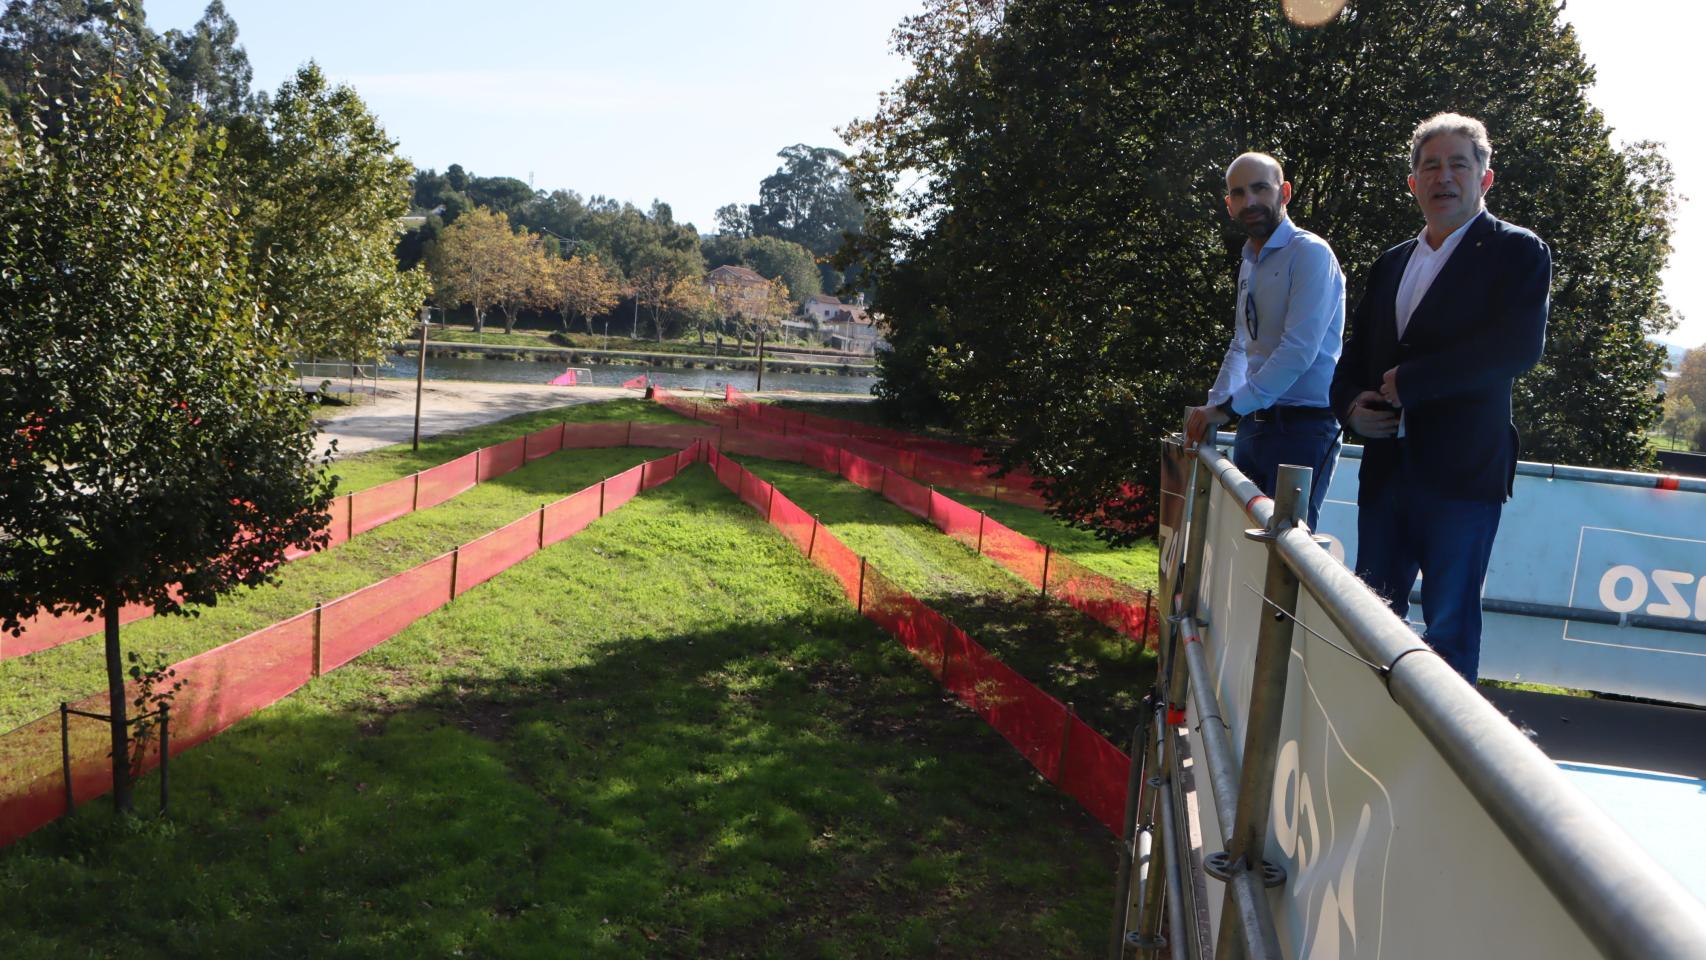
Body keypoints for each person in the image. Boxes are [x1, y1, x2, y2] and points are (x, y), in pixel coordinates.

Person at [1329, 113, 1551, 683]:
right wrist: (1350, 405)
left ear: (1485, 178)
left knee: (1450, 627)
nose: (1443, 176)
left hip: (1462, 480)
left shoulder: (1517, 252)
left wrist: (1415, 383)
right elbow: (1352, 358)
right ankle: (1367, 735)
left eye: (1459, 164)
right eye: (1430, 165)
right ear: (1413, 182)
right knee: (1373, 618)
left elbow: (1516, 349)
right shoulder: (1390, 262)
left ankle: (1439, 762)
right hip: (1385, 476)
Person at [1185, 152, 1346, 530]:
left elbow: (1298, 351)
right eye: (1238, 193)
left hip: (1304, 430)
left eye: (1260, 188)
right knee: (1244, 549)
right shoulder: (1249, 263)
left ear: (1284, 192)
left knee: (1288, 549)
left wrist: (1228, 408)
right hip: (1253, 426)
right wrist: (1210, 412)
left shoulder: (1310, 253)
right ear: (1229, 205)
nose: (1250, 201)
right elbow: (1242, 343)